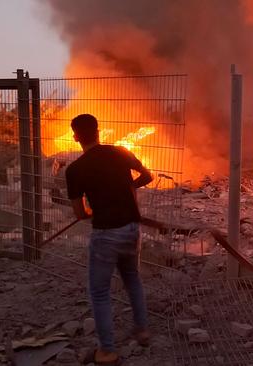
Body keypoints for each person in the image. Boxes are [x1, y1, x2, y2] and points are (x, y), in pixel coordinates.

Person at [65, 114, 153, 365]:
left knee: (100, 292)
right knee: (132, 279)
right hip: (131, 227)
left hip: (106, 234)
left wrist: (94, 208)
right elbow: (147, 176)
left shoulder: (75, 170)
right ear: (98, 131)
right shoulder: (119, 152)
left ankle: (107, 351)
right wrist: (128, 189)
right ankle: (143, 330)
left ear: (76, 136)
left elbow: (80, 213)